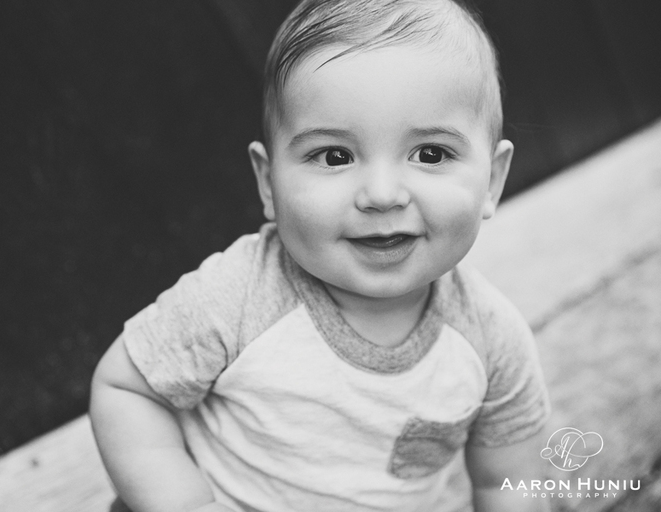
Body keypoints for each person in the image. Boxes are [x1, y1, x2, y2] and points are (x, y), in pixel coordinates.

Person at [89, 0, 551, 510]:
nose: (381, 194)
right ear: (269, 183)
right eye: (335, 156)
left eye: (431, 154)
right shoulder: (236, 298)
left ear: (492, 180)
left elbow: (506, 482)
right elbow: (125, 389)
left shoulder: (493, 342)